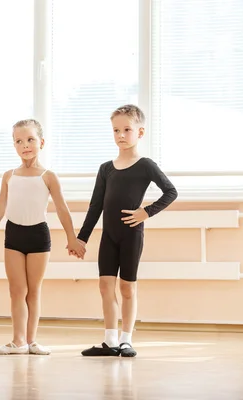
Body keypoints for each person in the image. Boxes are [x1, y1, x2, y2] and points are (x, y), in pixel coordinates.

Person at [0, 119, 85, 355]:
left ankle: (32, 341)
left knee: (33, 290)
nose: (25, 145)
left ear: (41, 142)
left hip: (38, 235)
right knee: (16, 290)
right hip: (14, 234)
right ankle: (17, 341)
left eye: (30, 139)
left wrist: (72, 238)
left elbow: (62, 209)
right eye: (19, 141)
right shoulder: (9, 176)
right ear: (14, 145)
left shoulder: (49, 176)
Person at [75, 104, 177, 357]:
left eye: (127, 130)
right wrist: (81, 238)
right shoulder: (106, 168)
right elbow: (95, 206)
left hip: (132, 234)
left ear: (140, 132)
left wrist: (147, 212)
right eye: (116, 130)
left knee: (127, 288)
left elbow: (171, 191)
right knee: (104, 286)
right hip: (108, 236)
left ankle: (126, 340)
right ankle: (109, 340)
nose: (120, 135)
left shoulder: (145, 165)